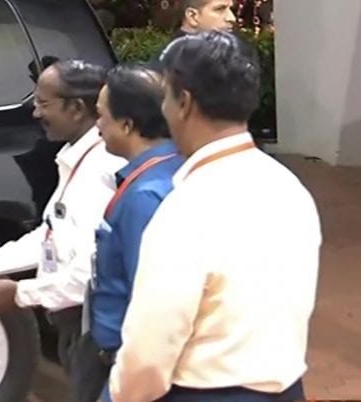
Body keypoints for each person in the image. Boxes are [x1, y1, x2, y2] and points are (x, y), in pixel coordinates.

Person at [109, 31, 321, 402]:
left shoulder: (184, 208)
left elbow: (148, 355)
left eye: (166, 96)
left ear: (184, 103)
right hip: (286, 388)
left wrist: (122, 393)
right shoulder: (289, 187)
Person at [0, 60, 126, 373]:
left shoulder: (102, 169)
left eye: (43, 103)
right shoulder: (76, 158)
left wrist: (20, 295)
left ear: (76, 108)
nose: (36, 113)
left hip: (93, 324)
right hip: (75, 320)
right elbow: (52, 235)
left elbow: (92, 269)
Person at [70, 65, 184, 402]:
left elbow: (151, 303)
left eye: (102, 115)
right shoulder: (166, 170)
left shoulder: (144, 196)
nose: (97, 125)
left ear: (127, 124)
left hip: (125, 362)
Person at [148, 0, 236, 71]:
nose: (232, 18)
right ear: (192, 16)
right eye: (220, 9)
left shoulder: (213, 53)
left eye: (231, 9)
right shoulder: (176, 64)